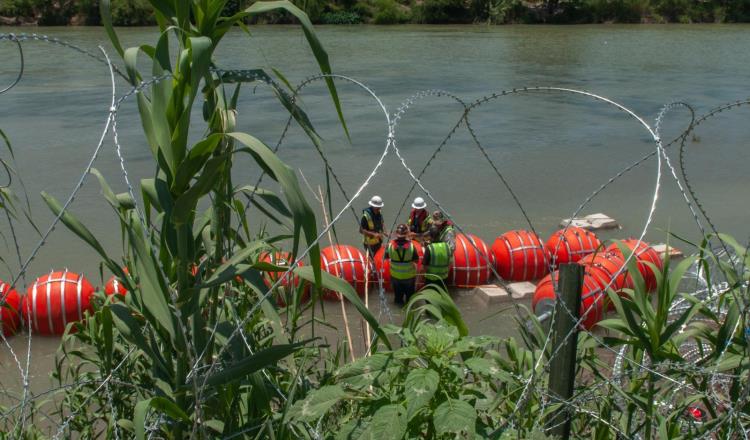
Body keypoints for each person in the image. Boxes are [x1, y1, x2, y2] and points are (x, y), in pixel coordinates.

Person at [385, 224, 419, 305]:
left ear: (397, 234)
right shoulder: (411, 246)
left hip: (396, 277)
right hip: (409, 277)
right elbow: (416, 260)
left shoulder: (389, 246)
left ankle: (399, 313)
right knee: (410, 299)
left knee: (398, 298)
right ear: (406, 234)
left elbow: (386, 258)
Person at [422, 225, 452, 290]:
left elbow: (424, 266)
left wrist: (423, 277)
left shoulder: (430, 248)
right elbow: (450, 263)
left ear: (430, 237)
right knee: (440, 297)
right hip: (443, 279)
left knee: (431, 297)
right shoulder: (447, 246)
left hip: (431, 279)